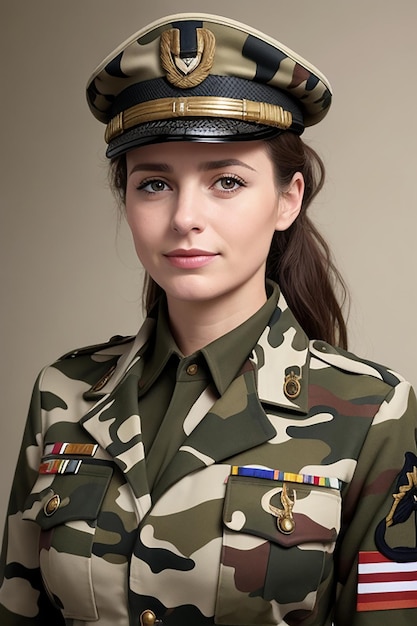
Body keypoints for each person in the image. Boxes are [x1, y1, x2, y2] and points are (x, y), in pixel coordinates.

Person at [0, 12, 416, 626]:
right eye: (153, 184)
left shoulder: (375, 414)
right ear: (126, 198)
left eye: (225, 180)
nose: (185, 217)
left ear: (287, 199)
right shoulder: (63, 393)